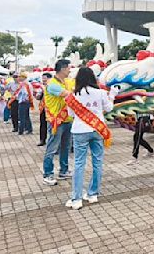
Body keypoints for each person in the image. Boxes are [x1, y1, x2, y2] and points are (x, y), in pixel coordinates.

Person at [65, 67, 117, 210]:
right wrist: (112, 95)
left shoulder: (73, 95)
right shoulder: (100, 93)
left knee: (79, 164)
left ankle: (76, 199)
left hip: (79, 130)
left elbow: (71, 114)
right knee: (97, 162)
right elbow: (109, 108)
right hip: (97, 130)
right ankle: (93, 194)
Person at [42, 59, 75, 186]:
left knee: (65, 147)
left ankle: (64, 170)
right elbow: (67, 94)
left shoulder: (66, 81)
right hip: (56, 121)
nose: (70, 70)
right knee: (52, 148)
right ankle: (48, 174)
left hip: (67, 120)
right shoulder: (52, 84)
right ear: (62, 68)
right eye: (68, 68)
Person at [36, 72, 52, 146]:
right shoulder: (41, 87)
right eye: (42, 79)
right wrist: (38, 94)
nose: (43, 80)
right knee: (43, 124)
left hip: (52, 109)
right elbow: (38, 97)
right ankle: (42, 140)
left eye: (45, 79)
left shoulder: (53, 86)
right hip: (43, 108)